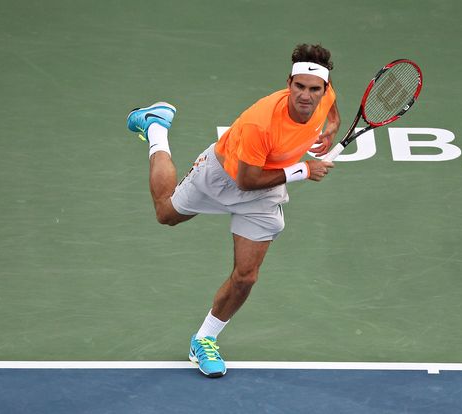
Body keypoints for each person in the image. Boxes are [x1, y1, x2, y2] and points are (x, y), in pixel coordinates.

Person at [126, 44, 340, 378]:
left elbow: (331, 104)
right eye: (299, 86)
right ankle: (156, 128)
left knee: (246, 276)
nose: (305, 95)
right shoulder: (260, 123)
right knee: (166, 214)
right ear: (288, 83)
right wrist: (303, 170)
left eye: (314, 89)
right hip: (223, 175)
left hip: (264, 195)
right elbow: (247, 181)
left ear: (324, 89)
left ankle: (204, 339)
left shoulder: (324, 96)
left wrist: (332, 124)